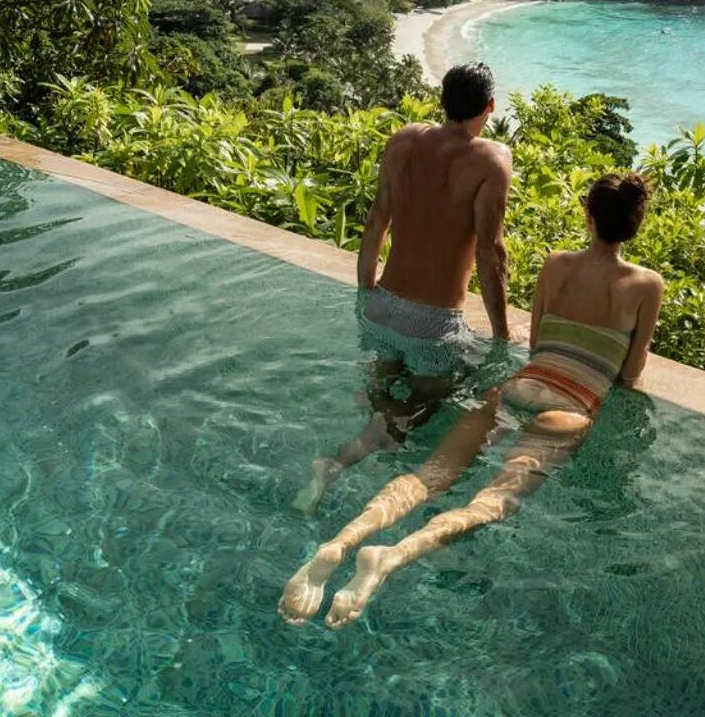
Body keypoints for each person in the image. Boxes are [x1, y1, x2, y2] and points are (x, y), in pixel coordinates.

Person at [281, 173, 665, 628]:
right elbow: (631, 370)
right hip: (570, 403)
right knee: (492, 501)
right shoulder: (647, 285)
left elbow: (539, 340)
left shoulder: (556, 263)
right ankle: (390, 556)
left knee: (430, 476)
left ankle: (342, 541)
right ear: (637, 224)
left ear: (588, 215)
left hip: (518, 385)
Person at [292, 63, 515, 516]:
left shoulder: (404, 140)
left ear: (442, 100)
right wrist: (503, 337)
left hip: (381, 307)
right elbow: (491, 255)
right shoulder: (492, 159)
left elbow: (376, 221)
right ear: (490, 107)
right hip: (432, 324)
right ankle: (341, 460)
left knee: (385, 394)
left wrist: (364, 296)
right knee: (427, 407)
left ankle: (376, 431)